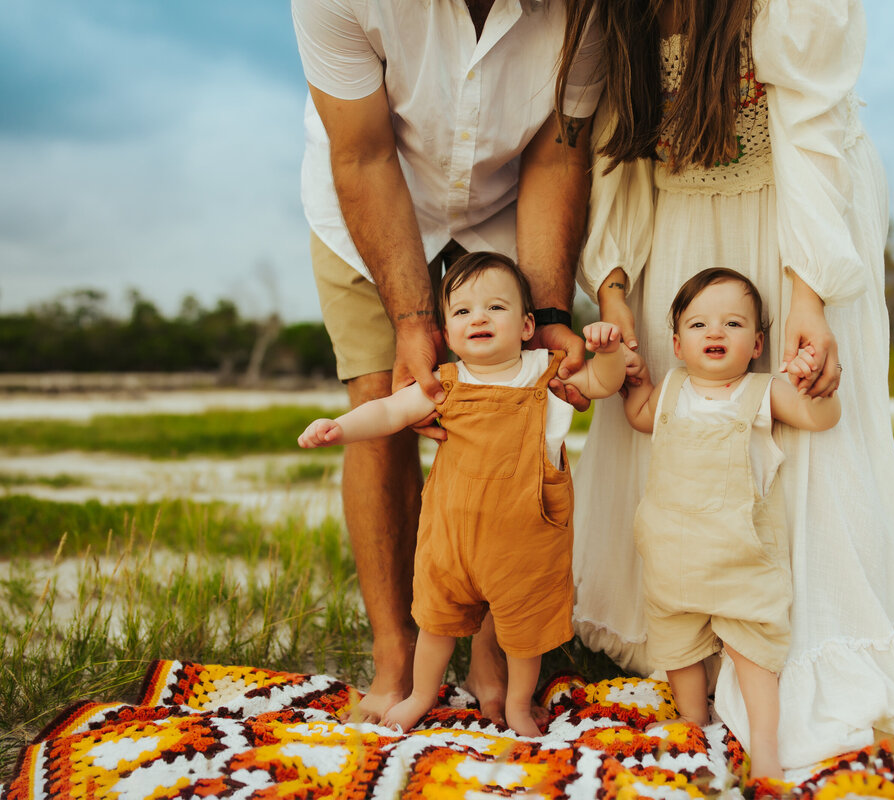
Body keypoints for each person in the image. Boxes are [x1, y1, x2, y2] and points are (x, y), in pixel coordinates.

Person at [558, 0, 894, 773]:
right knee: (690, 418)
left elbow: (812, 128)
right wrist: (613, 291)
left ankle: (799, 641)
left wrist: (808, 290)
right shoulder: (621, 11)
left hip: (796, 212)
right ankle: (694, 637)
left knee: (801, 429)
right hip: (679, 221)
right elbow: (621, 145)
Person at [290, 0, 604, 722]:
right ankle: (396, 651)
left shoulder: (588, 10)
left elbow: (560, 145)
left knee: (525, 403)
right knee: (383, 392)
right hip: (369, 200)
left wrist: (549, 317)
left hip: (508, 204)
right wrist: (412, 318)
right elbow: (363, 154)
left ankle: (494, 645)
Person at [299, 253, 626, 736]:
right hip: (452, 538)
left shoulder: (546, 371)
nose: (479, 318)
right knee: (436, 623)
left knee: (523, 634)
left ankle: (517, 704)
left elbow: (602, 381)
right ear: (447, 335)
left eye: (496, 308)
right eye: (463, 311)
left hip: (528, 537)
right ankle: (419, 695)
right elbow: (388, 412)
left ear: (526, 325)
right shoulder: (445, 382)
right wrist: (339, 428)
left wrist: (610, 351)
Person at [622, 268, 840, 779]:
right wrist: (634, 382)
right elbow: (639, 416)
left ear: (758, 342)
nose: (715, 333)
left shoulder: (762, 392)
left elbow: (819, 419)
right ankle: (694, 722)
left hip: (742, 556)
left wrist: (814, 385)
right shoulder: (672, 390)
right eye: (698, 325)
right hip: (671, 554)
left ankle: (765, 744)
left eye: (733, 323)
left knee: (754, 652)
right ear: (676, 343)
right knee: (677, 647)